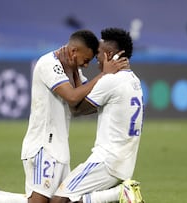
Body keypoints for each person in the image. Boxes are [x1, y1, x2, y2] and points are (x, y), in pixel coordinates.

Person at [0, 29, 129, 203]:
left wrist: (75, 74)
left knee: (63, 201)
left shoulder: (73, 70)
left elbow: (81, 104)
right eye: (85, 61)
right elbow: (72, 97)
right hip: (43, 144)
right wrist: (104, 74)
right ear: (73, 51)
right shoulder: (48, 64)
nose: (86, 65)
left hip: (60, 147)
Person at [50, 27, 144, 203]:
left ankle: (119, 194)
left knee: (59, 200)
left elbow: (76, 108)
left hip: (106, 161)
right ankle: (114, 197)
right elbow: (86, 103)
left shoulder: (110, 81)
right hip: (124, 163)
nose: (96, 59)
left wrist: (73, 70)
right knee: (77, 199)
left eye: (99, 54)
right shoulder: (133, 80)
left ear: (110, 55)